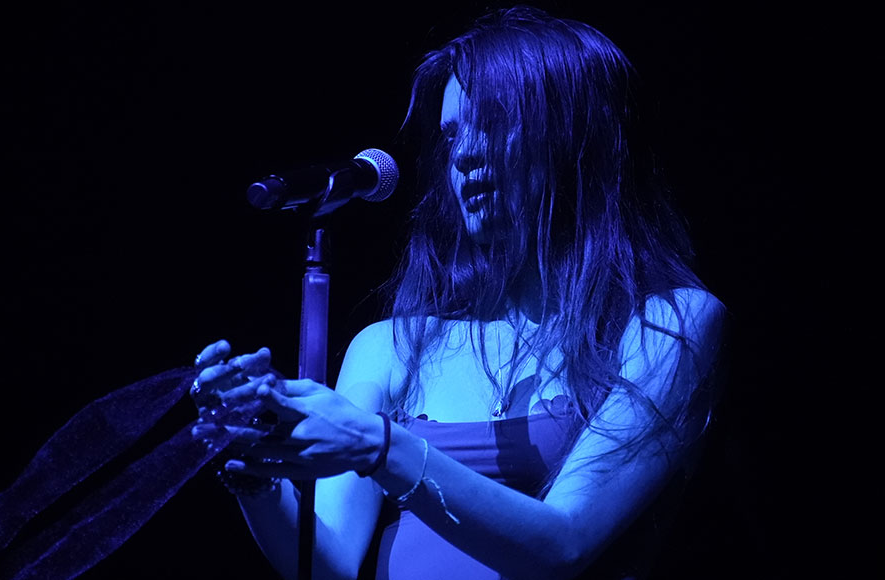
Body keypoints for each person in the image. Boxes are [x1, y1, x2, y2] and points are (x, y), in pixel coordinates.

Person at [191, 6, 725, 580]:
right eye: (451, 135)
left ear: (575, 137)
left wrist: (377, 444)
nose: (465, 153)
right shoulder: (392, 348)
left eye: (493, 121)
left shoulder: (668, 324)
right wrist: (255, 472)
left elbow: (564, 544)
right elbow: (328, 564)